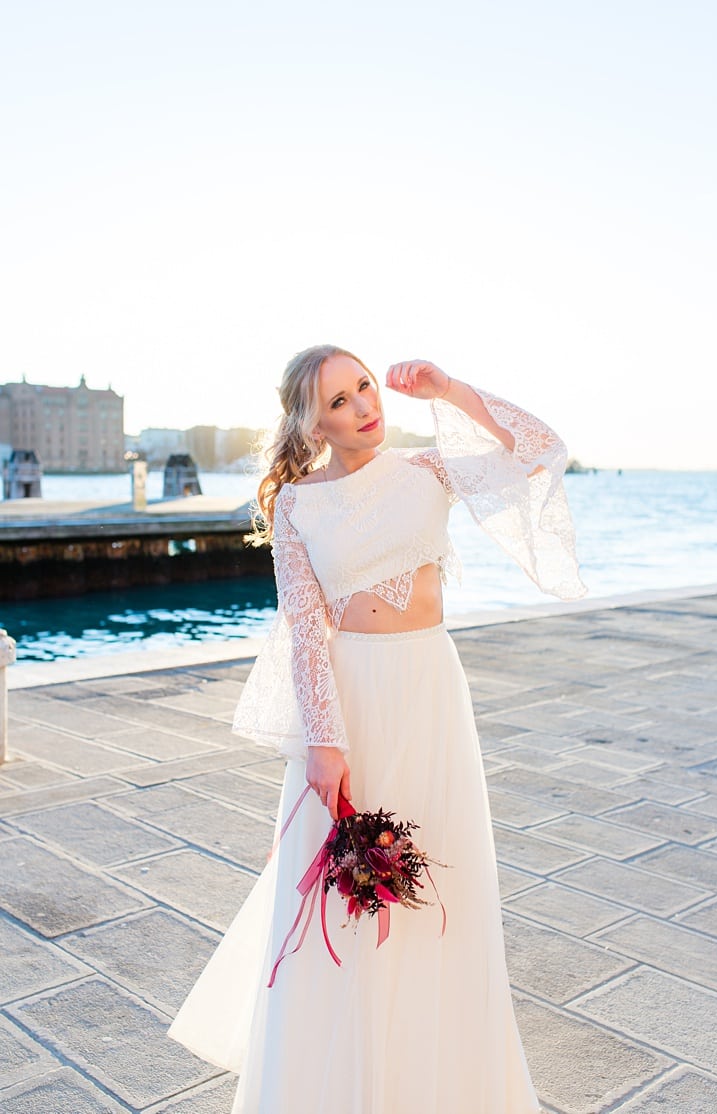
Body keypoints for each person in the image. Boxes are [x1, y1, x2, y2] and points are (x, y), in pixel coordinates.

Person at [168, 345, 585, 1113]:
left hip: (429, 693)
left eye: (364, 386)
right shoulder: (294, 503)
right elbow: (304, 631)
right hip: (350, 708)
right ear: (312, 422)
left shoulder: (429, 471)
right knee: (347, 899)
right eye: (339, 401)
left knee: (438, 884)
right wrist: (324, 744)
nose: (364, 405)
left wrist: (449, 391)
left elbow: (541, 448)